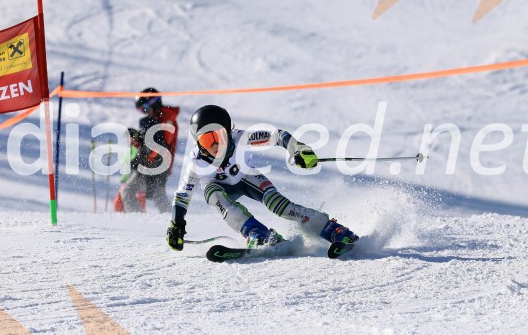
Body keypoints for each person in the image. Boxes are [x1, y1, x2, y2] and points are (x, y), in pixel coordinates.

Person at [165, 105, 360, 253]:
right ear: (198, 142)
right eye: (208, 140)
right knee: (213, 193)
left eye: (220, 136)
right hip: (220, 189)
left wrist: (297, 149)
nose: (216, 144)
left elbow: (277, 136)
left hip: (246, 178)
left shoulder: (239, 137)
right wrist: (177, 224)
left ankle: (332, 229)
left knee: (279, 205)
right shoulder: (195, 163)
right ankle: (257, 233)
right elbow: (182, 196)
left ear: (229, 132)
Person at [115, 88, 180, 213]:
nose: (145, 112)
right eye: (141, 110)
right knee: (158, 196)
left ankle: (141, 223)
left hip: (155, 166)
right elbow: (151, 143)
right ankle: (171, 220)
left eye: (145, 108)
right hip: (154, 165)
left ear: (154, 103)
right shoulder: (158, 117)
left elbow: (159, 147)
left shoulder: (167, 118)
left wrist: (141, 161)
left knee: (127, 192)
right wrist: (138, 139)